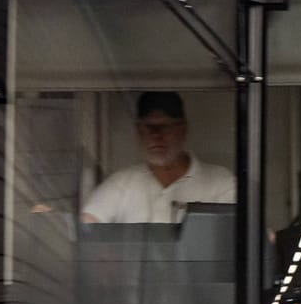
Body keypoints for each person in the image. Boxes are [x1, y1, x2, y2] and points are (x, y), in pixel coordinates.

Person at [81, 91, 236, 223]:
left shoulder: (220, 183)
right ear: (139, 131)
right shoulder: (122, 183)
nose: (156, 136)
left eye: (164, 127)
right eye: (148, 128)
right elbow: (89, 225)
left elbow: (235, 238)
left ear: (183, 129)